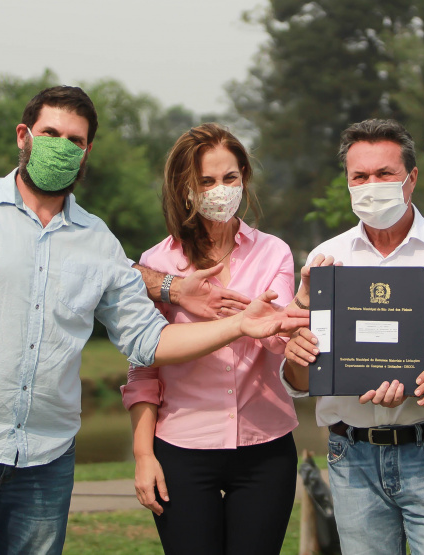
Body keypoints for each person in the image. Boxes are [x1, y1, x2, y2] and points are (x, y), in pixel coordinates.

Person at [0, 86, 308, 554]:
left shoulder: (97, 241)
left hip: (44, 456)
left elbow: (149, 343)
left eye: (75, 140)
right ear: (23, 136)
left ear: (87, 152)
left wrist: (239, 325)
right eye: (50, 133)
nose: (62, 146)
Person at [281, 118, 424, 555]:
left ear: (411, 178)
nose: (371, 184)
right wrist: (298, 349)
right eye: (359, 176)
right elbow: (299, 382)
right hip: (350, 455)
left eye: (385, 174)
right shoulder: (326, 260)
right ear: (347, 181)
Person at [122, 123, 300, 554]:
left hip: (266, 447)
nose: (220, 190)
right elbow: (144, 370)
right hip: (181, 450)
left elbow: (283, 347)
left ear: (244, 179)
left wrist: (292, 325)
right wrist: (144, 456)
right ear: (185, 188)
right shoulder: (157, 265)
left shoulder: (274, 252)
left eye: (229, 178)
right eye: (206, 181)